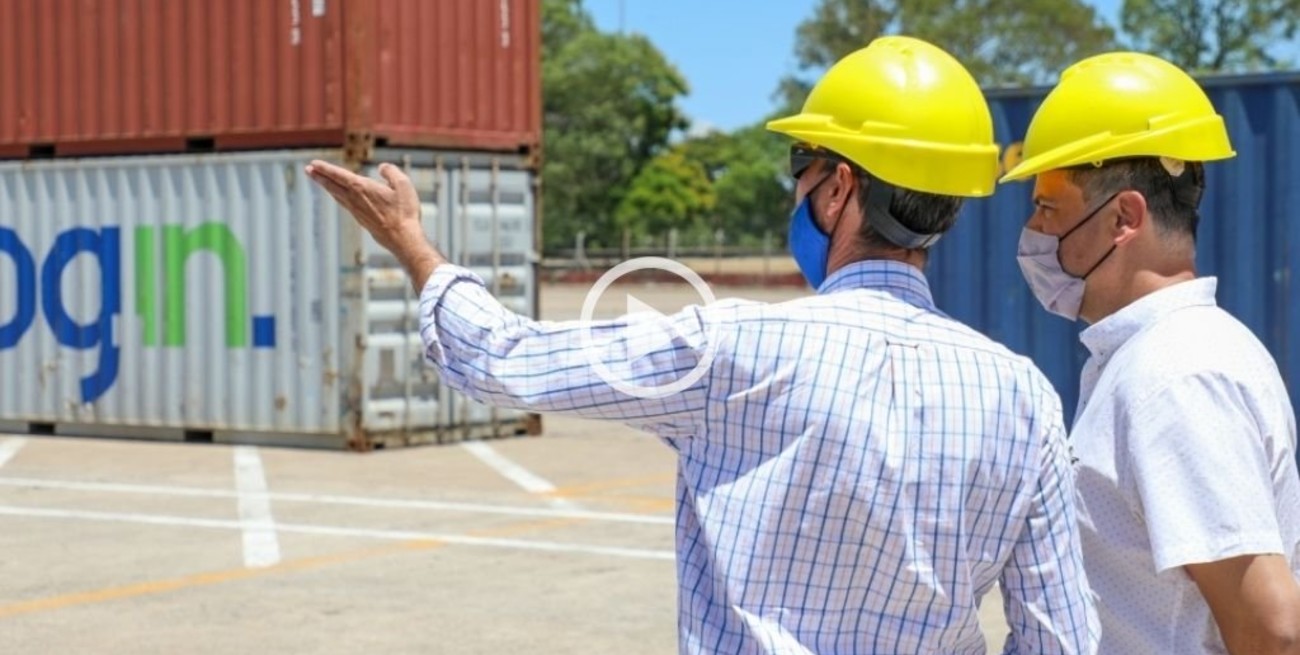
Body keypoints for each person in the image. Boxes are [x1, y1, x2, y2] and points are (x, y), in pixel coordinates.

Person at [307, 35, 1097, 654]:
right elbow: (1060, 637)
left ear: (839, 188)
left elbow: (502, 358)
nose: (797, 188)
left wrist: (413, 245)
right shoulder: (1022, 394)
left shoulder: (733, 349)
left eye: (803, 168)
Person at [1001, 51, 1300, 654]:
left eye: (1047, 207)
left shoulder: (1177, 374)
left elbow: (1272, 630)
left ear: (1123, 217)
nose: (1034, 230)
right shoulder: (1152, 359)